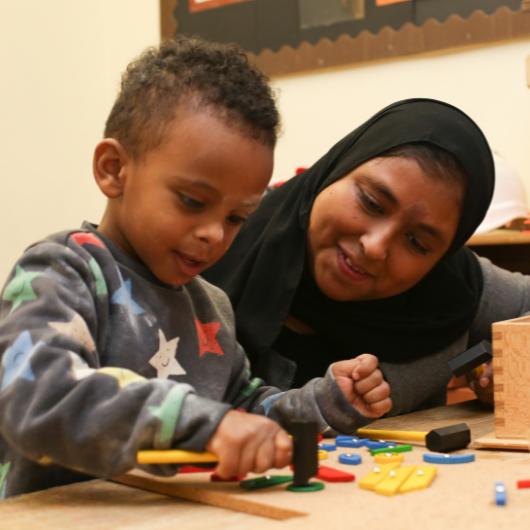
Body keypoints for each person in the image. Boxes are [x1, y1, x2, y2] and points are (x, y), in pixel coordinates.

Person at [0, 37, 391, 498]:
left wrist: (326, 402)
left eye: (235, 218)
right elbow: (34, 398)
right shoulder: (64, 271)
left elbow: (242, 413)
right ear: (113, 169)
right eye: (192, 201)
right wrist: (203, 424)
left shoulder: (212, 307)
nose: (214, 234)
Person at [204, 97, 530, 413]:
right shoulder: (217, 237)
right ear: (336, 170)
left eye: (417, 243)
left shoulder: (453, 289)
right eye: (371, 203)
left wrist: (479, 361)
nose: (375, 247)